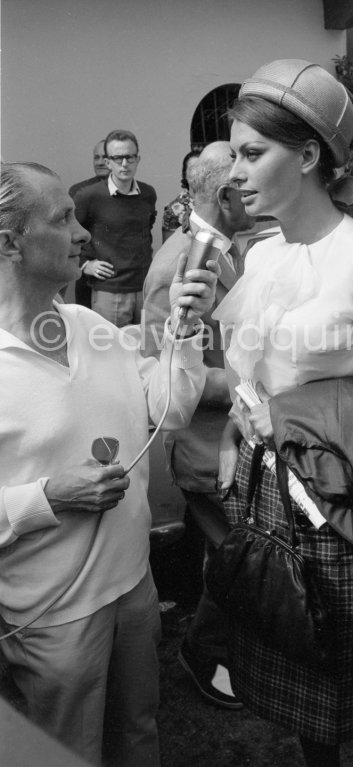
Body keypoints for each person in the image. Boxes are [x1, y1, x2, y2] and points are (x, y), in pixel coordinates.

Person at [213, 59, 353, 767]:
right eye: (235, 155)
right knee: (303, 695)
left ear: (309, 154)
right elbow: (246, 376)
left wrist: (288, 421)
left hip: (341, 513)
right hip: (266, 503)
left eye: (254, 153)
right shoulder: (260, 258)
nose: (235, 173)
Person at [0, 161, 218, 766]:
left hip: (134, 587)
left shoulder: (90, 325)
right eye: (63, 218)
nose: (83, 234)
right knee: (70, 751)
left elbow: (167, 408)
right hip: (54, 618)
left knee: (138, 732)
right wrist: (49, 497)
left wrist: (185, 330)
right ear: (8, 242)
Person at [142, 140, 256, 710]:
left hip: (234, 444)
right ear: (226, 194)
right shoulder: (179, 264)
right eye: (247, 180)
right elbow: (166, 374)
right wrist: (260, 385)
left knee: (237, 559)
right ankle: (204, 652)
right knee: (238, 563)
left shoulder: (225, 248)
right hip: (207, 449)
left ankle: (221, 649)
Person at [75, 129, 157, 326]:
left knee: (146, 350)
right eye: (117, 158)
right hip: (109, 291)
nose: (124, 164)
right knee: (110, 350)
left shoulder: (147, 193)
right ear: (108, 162)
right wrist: (85, 265)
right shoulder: (88, 196)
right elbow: (69, 235)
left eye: (129, 157)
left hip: (144, 288)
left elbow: (145, 232)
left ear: (138, 159)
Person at [68, 138, 110, 308]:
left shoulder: (136, 193)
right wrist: (84, 264)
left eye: (104, 157)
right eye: (96, 157)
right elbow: (69, 234)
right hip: (90, 280)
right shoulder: (80, 192)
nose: (99, 162)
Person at [161, 146, 203, 243]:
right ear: (184, 175)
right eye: (193, 169)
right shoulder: (173, 210)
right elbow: (168, 248)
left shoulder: (217, 202)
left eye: (202, 168)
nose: (198, 173)